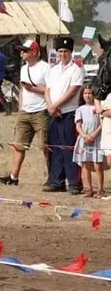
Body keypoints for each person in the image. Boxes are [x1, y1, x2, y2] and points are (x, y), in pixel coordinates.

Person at [0, 39, 50, 186]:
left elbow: (50, 90)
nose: (22, 53)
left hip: (41, 111)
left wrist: (33, 88)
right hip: (25, 111)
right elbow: (22, 87)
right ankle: (13, 177)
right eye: (21, 50)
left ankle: (53, 177)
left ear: (34, 52)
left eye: (25, 50)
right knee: (19, 146)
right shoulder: (23, 68)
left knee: (45, 146)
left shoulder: (45, 68)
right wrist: (21, 106)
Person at [43, 36, 85, 194]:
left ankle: (74, 182)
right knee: (54, 148)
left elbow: (73, 90)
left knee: (69, 148)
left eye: (66, 51)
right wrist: (50, 105)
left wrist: (57, 105)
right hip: (54, 113)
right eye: (60, 51)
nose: (63, 54)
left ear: (71, 52)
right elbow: (47, 90)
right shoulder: (53, 70)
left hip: (68, 112)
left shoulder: (76, 69)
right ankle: (56, 180)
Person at [73, 86, 105, 197]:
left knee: (98, 165)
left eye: (90, 93)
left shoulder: (99, 107)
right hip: (84, 140)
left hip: (97, 139)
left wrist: (94, 135)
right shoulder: (80, 109)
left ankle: (101, 190)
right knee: (85, 164)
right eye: (85, 93)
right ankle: (88, 189)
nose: (87, 96)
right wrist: (85, 136)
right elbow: (78, 125)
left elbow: (102, 123)